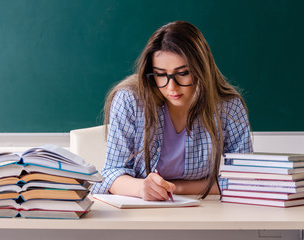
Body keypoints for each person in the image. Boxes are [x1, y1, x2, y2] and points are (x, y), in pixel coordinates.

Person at [91, 20, 253, 200]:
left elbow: (244, 179)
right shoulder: (129, 100)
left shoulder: (228, 106)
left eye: (183, 73)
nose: (171, 87)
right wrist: (141, 188)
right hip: (139, 210)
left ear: (201, 69)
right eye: (160, 74)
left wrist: (178, 188)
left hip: (203, 210)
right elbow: (111, 174)